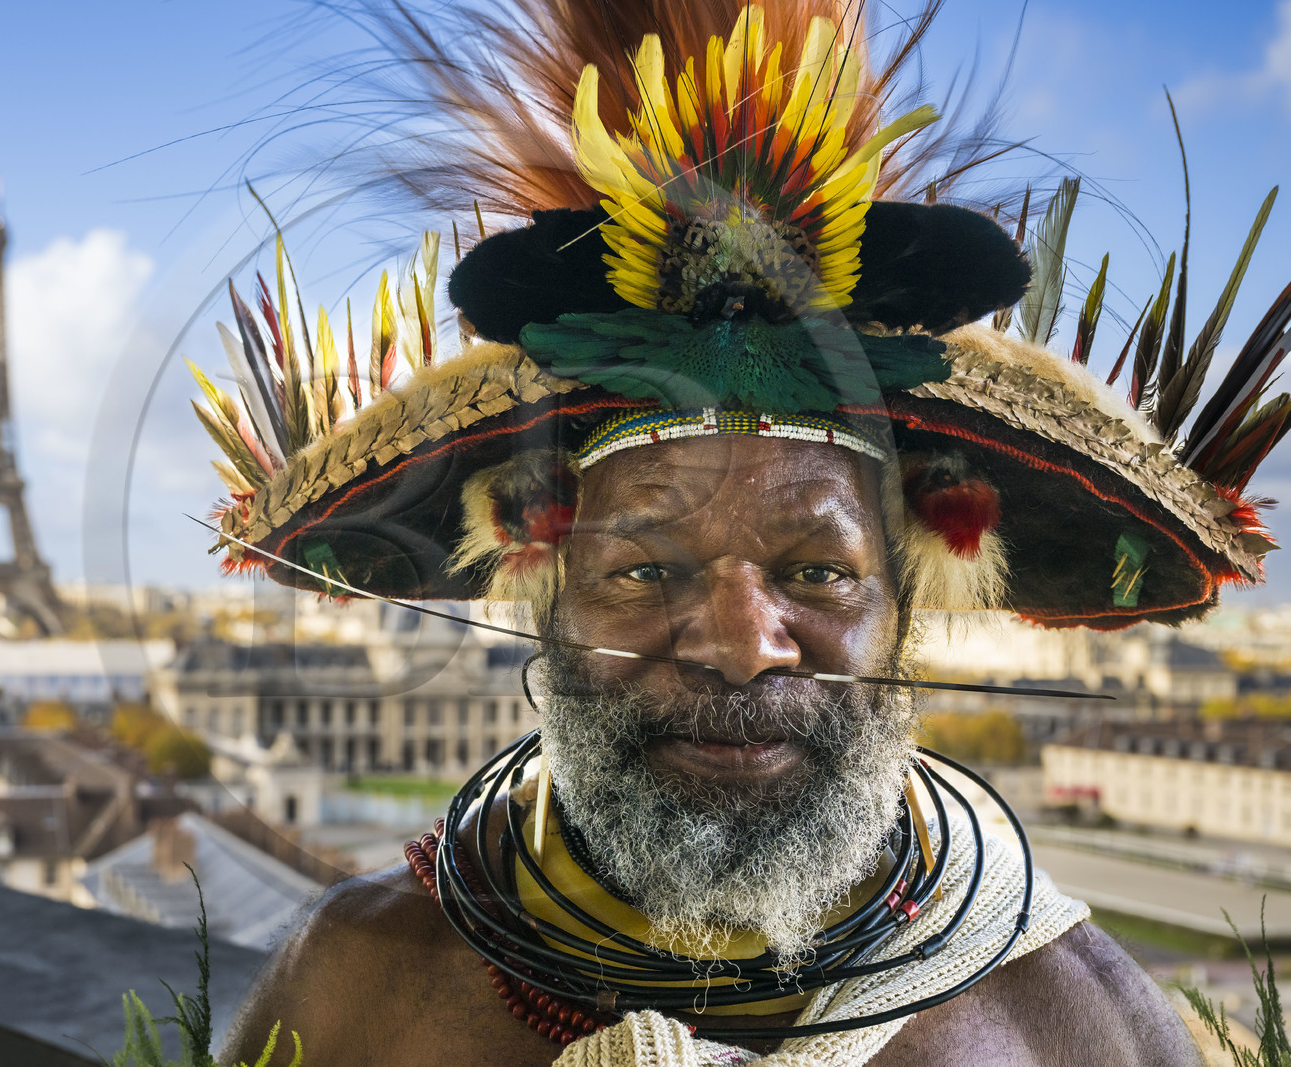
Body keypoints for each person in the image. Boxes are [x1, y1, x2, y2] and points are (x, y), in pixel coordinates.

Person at [191, 2, 1286, 1062]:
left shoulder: (1074, 1029)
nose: (739, 641)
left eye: (816, 569)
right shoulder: (354, 984)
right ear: (545, 595)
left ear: (908, 604)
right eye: (643, 568)